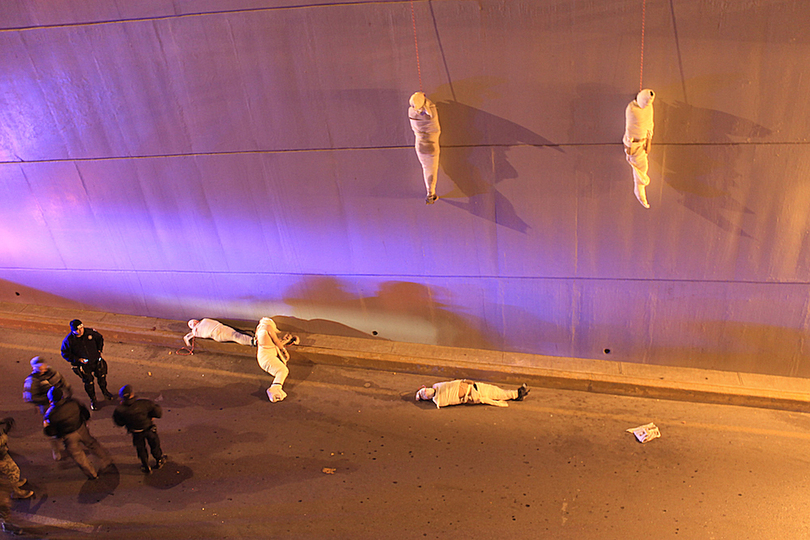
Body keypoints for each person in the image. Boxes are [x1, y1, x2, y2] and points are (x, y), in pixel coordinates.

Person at [43, 387, 113, 480]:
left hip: (68, 436)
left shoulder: (50, 414)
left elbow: (51, 432)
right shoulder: (72, 402)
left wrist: (47, 426)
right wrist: (86, 420)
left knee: (78, 456)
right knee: (92, 443)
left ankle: (92, 474)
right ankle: (106, 460)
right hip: (80, 428)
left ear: (50, 400)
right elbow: (84, 411)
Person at [23, 356, 72, 461]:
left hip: (60, 403)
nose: (43, 368)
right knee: (52, 429)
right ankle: (56, 450)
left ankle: (67, 444)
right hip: (47, 407)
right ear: (35, 368)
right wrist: (48, 399)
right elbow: (30, 397)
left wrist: (67, 391)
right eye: (40, 367)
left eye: (44, 365)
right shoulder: (32, 380)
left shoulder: (51, 372)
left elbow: (62, 381)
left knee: (64, 424)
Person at [112, 385, 167, 474]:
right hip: (149, 429)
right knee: (154, 445)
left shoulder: (119, 410)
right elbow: (158, 413)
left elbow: (119, 423)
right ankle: (159, 460)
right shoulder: (144, 403)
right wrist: (151, 416)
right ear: (132, 394)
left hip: (136, 432)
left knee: (141, 449)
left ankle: (146, 466)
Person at [61, 319, 114, 410]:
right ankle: (93, 400)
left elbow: (99, 338)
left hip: (96, 361)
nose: (81, 330)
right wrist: (78, 360)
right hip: (84, 366)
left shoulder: (90, 333)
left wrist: (99, 350)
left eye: (81, 328)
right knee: (89, 383)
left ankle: (105, 392)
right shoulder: (69, 341)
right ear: (73, 330)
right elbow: (65, 353)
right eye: (78, 329)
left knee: (102, 377)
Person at [623, 88, 656, 209]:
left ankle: (640, 189)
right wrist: (629, 146)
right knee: (641, 167)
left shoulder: (649, 109)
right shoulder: (632, 109)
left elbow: (649, 125)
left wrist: (649, 141)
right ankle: (640, 189)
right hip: (635, 144)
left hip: (642, 143)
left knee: (644, 167)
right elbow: (630, 129)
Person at [255, 317, 300, 403]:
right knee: (282, 370)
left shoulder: (259, 329)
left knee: (281, 370)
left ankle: (276, 388)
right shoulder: (268, 327)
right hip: (267, 358)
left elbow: (270, 343)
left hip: (262, 357)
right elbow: (276, 342)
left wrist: (285, 340)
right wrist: (284, 351)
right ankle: (274, 389)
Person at [408, 91, 441, 204]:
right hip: (431, 145)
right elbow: (429, 106)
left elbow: (417, 107)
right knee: (432, 169)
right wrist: (424, 97)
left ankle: (430, 192)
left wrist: (420, 99)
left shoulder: (411, 112)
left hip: (420, 146)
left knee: (426, 168)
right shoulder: (431, 112)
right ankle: (431, 192)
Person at [415, 380, 530, 408]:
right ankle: (517, 394)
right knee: (496, 394)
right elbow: (455, 400)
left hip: (474, 386)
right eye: (424, 395)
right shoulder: (439, 400)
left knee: (496, 390)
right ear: (427, 399)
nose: (427, 392)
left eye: (424, 391)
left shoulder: (438, 386)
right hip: (473, 394)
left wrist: (467, 381)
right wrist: (472, 398)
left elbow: (452, 383)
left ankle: (517, 393)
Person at [0, 417, 34, 502]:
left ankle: (14, 484)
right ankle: (15, 492)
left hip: (2, 453)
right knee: (11, 472)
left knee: (13, 471)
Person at [184, 318, 255, 348]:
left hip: (218, 333)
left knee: (235, 336)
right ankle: (252, 341)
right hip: (218, 331)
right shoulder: (203, 322)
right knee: (235, 336)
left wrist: (188, 344)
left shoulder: (196, 331)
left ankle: (252, 341)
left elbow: (187, 337)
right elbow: (187, 337)